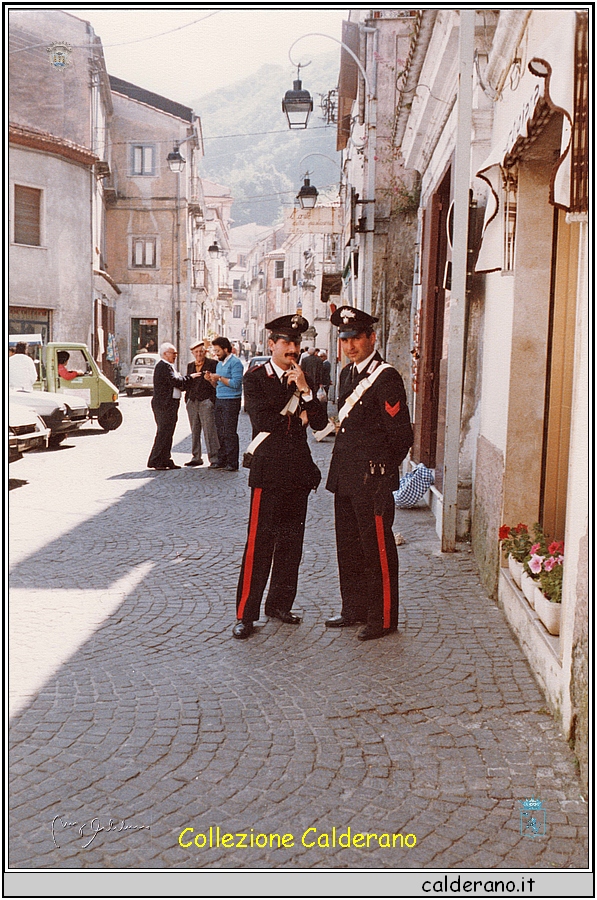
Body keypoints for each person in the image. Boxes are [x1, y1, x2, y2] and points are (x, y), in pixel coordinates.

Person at [233, 315, 328, 639]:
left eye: (296, 344)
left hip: (297, 473)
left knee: (291, 545)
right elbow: (262, 421)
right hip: (269, 472)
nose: (293, 349)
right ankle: (246, 613)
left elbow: (318, 424)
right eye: (286, 343)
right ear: (271, 345)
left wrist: (304, 391)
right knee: (259, 546)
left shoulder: (303, 377)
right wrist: (295, 412)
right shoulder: (256, 377)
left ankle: (279, 604)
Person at [325, 306, 413, 641]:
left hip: (372, 480)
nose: (349, 345)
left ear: (371, 338)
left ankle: (383, 617)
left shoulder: (386, 377)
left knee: (376, 549)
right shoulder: (348, 375)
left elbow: (401, 436)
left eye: (356, 338)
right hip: (346, 476)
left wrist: (383, 473)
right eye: (344, 339)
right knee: (348, 546)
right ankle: (354, 609)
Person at [147, 342, 201, 470]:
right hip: (164, 405)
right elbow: (175, 381)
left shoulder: (169, 366)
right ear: (165, 354)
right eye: (173, 353)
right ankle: (156, 460)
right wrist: (190, 377)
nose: (175, 355)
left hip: (170, 404)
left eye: (176, 353)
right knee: (163, 432)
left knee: (168, 432)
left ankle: (165, 458)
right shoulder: (163, 366)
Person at [205, 337, 244, 471]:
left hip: (231, 400)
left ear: (226, 349)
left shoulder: (236, 363)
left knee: (229, 432)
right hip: (220, 399)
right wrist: (211, 380)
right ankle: (222, 459)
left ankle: (232, 462)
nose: (216, 353)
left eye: (218, 350)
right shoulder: (219, 364)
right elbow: (216, 385)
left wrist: (220, 378)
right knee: (219, 432)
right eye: (214, 351)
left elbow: (235, 384)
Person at [184, 339, 220, 468]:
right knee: (194, 430)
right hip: (193, 401)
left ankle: (214, 458)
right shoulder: (190, 365)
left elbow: (216, 384)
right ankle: (196, 457)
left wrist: (211, 400)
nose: (199, 354)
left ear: (205, 352)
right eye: (196, 352)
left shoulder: (213, 364)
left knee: (209, 430)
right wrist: (187, 399)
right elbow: (188, 383)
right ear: (192, 353)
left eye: (201, 351)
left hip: (206, 400)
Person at [319, 350, 332, 415]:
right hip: (325, 382)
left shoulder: (326, 364)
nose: (320, 358)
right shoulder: (325, 363)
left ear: (325, 357)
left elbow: (324, 373)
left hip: (325, 383)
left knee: (324, 397)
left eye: (321, 357)